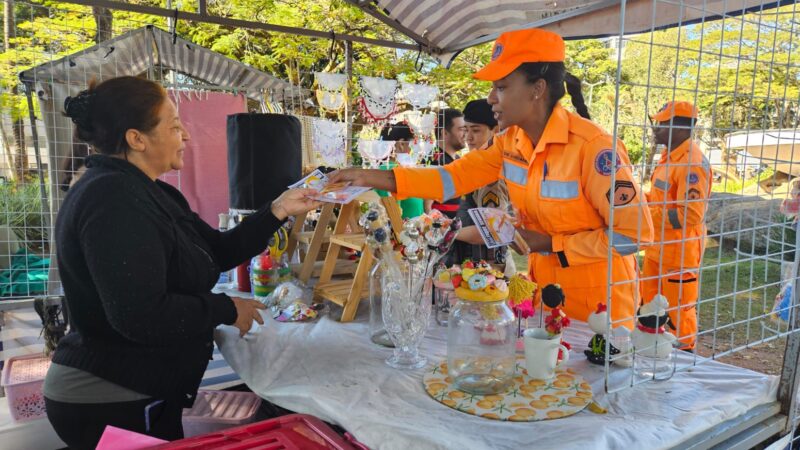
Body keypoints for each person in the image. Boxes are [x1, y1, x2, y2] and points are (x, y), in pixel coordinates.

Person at [44, 76, 322, 449]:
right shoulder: (111, 198)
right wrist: (224, 308)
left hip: (135, 391)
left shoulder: (153, 193)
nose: (186, 136)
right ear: (136, 138)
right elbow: (139, 315)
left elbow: (218, 252)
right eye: (174, 126)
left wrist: (278, 209)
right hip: (110, 399)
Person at [330, 28, 654, 326]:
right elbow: (450, 178)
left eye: (501, 87)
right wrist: (369, 177)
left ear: (537, 90)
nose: (490, 99)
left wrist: (554, 244)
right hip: (544, 296)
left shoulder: (593, 149)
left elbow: (635, 235)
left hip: (602, 310)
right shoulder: (510, 141)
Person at [642, 101, 711, 351]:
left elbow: (690, 214)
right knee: (649, 307)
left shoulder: (691, 163)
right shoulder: (668, 157)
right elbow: (660, 199)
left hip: (679, 256)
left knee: (678, 314)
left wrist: (646, 216)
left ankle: (683, 355)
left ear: (681, 128)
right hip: (656, 250)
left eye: (662, 123)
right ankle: (650, 349)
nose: (656, 128)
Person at [451, 99, 515, 274]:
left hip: (491, 273)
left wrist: (447, 231)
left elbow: (493, 231)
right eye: (466, 130)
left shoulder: (490, 174)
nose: (468, 137)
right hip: (479, 269)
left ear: (495, 131)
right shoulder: (480, 166)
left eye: (476, 130)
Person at [375, 123, 424, 219]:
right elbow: (391, 215)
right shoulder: (389, 170)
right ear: (401, 144)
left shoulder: (402, 168)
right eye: (415, 143)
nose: (419, 149)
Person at [424, 108, 466, 217]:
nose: (466, 134)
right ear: (445, 132)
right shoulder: (434, 160)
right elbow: (427, 206)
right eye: (461, 129)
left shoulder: (457, 159)